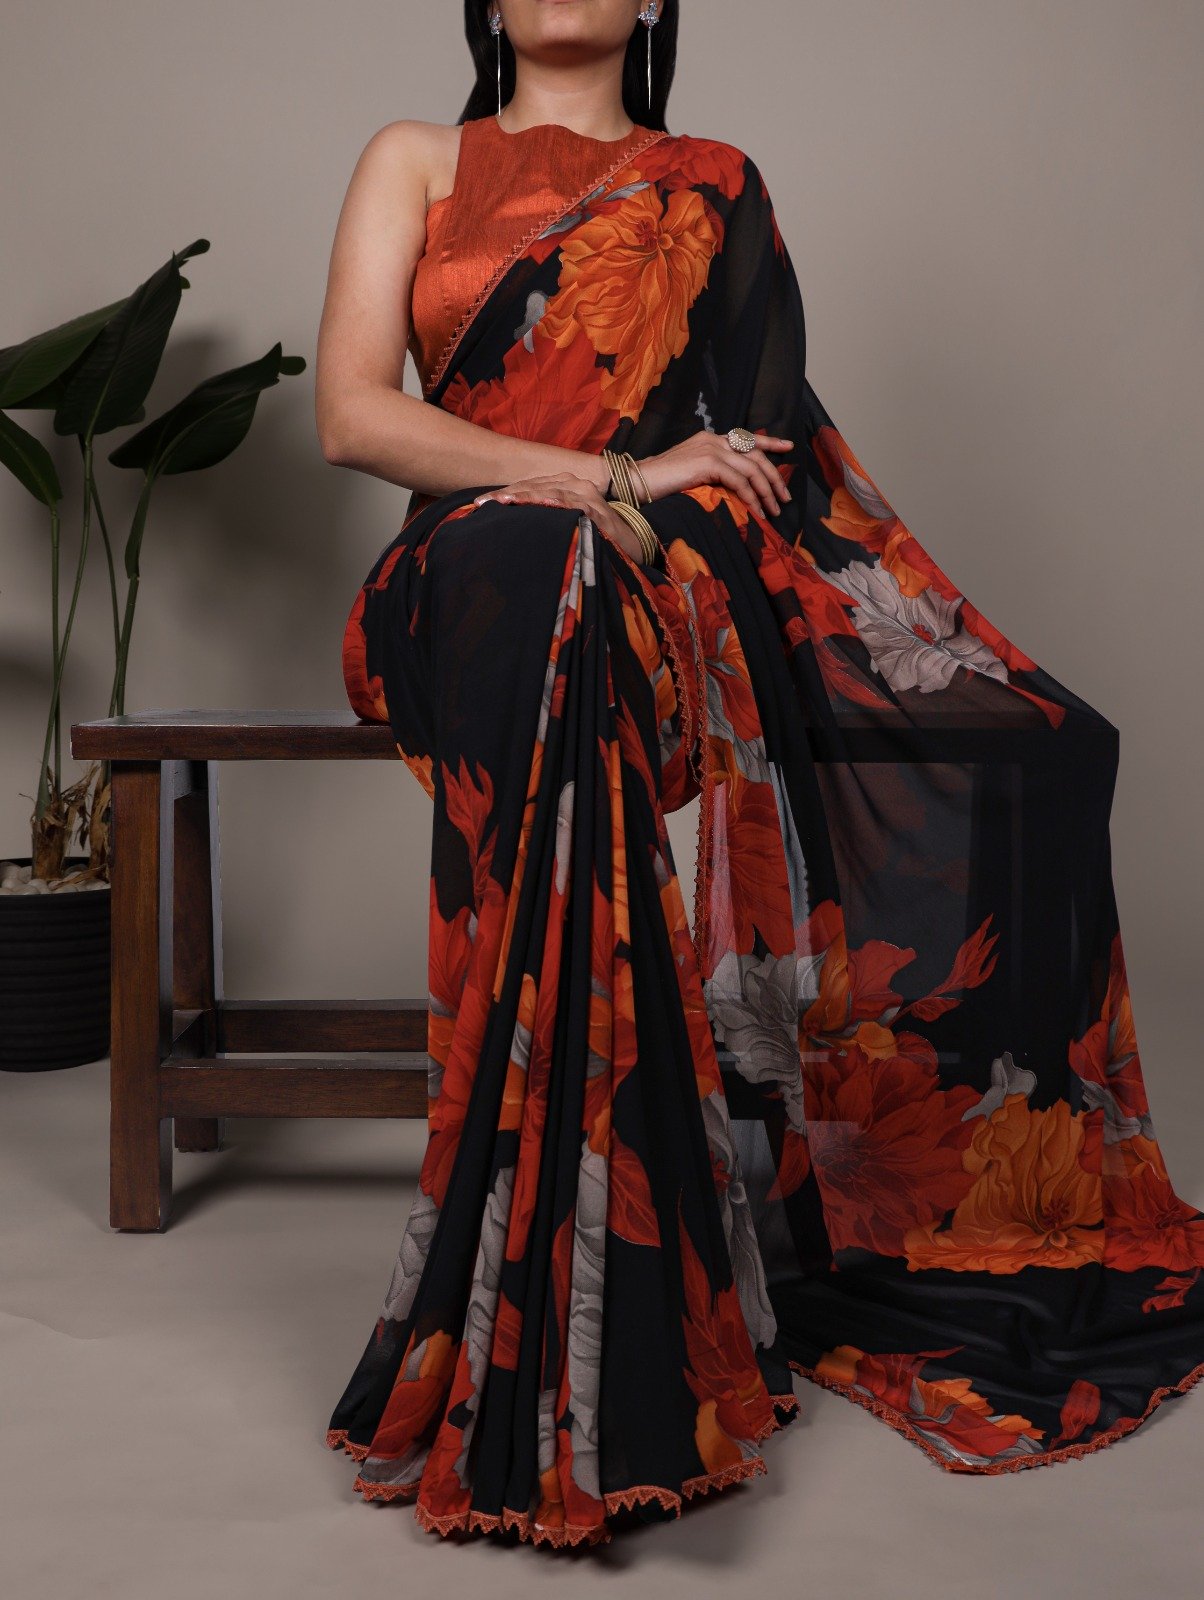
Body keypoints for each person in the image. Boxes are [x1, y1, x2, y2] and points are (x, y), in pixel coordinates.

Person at [314, 0, 1204, 1551]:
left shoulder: (714, 185)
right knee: (540, 566)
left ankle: (561, 1345)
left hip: (650, 597)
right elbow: (352, 418)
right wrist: (601, 479)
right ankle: (609, 1346)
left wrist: (645, 510)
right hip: (452, 588)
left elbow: (757, 463)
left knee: (588, 595)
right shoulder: (416, 159)